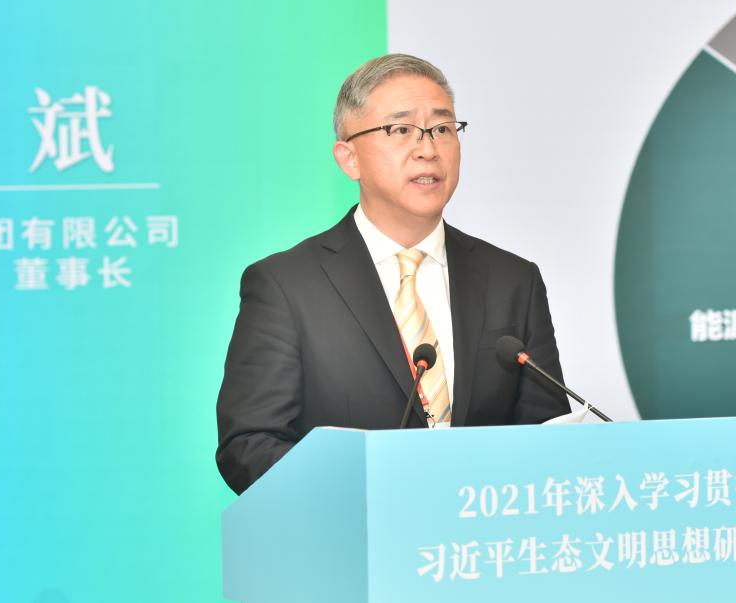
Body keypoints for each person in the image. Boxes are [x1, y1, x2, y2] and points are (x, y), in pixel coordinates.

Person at [215, 54, 569, 495]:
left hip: (482, 532)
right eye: (401, 130)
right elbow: (249, 445)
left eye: (442, 128)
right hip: (350, 530)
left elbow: (548, 437)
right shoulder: (286, 286)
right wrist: (371, 494)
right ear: (349, 158)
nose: (428, 149)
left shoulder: (513, 280)